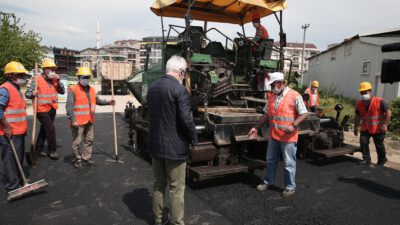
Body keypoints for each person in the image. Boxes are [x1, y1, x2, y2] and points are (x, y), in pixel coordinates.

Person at [147, 55, 197, 225]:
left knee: (158, 185)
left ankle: (158, 220)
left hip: (156, 145)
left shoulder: (153, 87)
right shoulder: (179, 90)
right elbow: (186, 119)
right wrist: (193, 139)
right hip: (175, 149)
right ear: (181, 72)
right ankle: (177, 223)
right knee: (176, 189)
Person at [248, 72, 308, 198]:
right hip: (274, 136)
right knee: (270, 160)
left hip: (288, 138)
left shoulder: (294, 95)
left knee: (288, 163)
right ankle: (268, 181)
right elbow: (266, 114)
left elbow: (304, 114)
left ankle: (290, 187)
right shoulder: (271, 96)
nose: (270, 88)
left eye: (272, 85)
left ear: (280, 83)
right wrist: (255, 128)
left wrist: (293, 125)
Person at [65, 67, 115, 169]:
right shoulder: (73, 89)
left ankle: (86, 158)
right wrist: (73, 120)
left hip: (89, 119)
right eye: (84, 77)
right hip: (78, 121)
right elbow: (69, 106)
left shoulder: (92, 90)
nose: (86, 79)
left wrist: (109, 102)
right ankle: (77, 159)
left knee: (89, 140)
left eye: (88, 77)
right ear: (79, 77)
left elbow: (98, 101)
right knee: (77, 142)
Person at [25, 59, 65, 160]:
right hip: (41, 109)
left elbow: (62, 91)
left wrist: (59, 80)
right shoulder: (36, 80)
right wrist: (32, 94)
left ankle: (38, 149)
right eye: (49, 69)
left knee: (44, 129)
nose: (52, 71)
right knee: (50, 129)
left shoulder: (55, 80)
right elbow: (27, 94)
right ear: (44, 70)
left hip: (52, 108)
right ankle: (52, 150)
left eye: (53, 69)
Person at [0, 61, 29, 192]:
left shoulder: (16, 88)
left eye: (23, 74)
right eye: (20, 74)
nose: (23, 77)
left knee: (18, 156)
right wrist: (6, 127)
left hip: (19, 130)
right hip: (9, 131)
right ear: (11, 75)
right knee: (10, 159)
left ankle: (18, 180)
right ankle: (13, 186)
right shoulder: (5, 89)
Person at [354, 81, 391, 166]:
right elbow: (357, 116)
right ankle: (366, 159)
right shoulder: (359, 104)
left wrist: (385, 125)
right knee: (363, 142)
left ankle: (382, 159)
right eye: (361, 92)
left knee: (379, 145)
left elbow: (388, 112)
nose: (363, 94)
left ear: (370, 91)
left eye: (365, 92)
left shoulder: (380, 101)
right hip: (365, 127)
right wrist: (355, 127)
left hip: (378, 128)